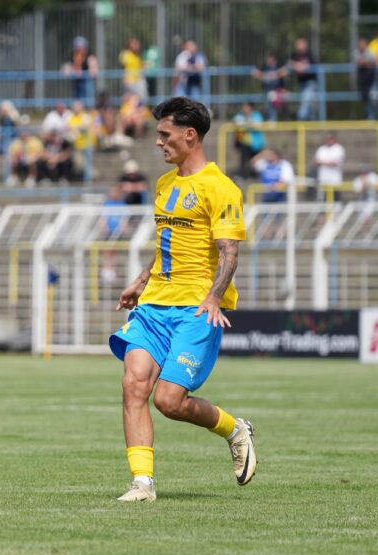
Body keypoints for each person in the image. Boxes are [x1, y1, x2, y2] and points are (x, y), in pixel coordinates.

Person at [108, 96, 257, 502]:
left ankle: (234, 429)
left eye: (164, 134)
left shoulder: (221, 188)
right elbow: (167, 244)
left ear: (190, 135)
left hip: (196, 307)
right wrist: (141, 280)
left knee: (169, 401)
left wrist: (214, 297)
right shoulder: (164, 184)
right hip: (154, 304)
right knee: (133, 384)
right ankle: (142, 484)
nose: (158, 142)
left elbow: (229, 252)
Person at [232, 103, 265, 180]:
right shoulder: (240, 115)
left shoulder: (257, 115)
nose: (244, 108)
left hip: (256, 143)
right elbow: (235, 122)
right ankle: (243, 175)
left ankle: (256, 175)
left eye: (246, 107)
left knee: (256, 160)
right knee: (244, 160)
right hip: (245, 142)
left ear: (250, 108)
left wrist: (245, 124)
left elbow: (256, 125)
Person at [288, 38, 318, 121]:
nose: (298, 46)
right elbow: (289, 63)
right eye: (297, 44)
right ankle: (310, 121)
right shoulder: (295, 55)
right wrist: (298, 66)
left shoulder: (309, 54)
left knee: (306, 104)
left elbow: (306, 67)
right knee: (309, 104)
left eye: (300, 44)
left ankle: (301, 119)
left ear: (305, 45)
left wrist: (297, 66)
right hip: (301, 83)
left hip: (311, 83)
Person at [252, 51, 287, 121]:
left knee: (274, 98)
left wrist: (276, 74)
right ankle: (272, 119)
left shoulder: (278, 66)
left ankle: (282, 119)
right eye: (268, 59)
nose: (268, 61)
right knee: (269, 99)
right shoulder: (265, 67)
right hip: (267, 91)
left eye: (271, 59)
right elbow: (254, 73)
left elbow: (285, 72)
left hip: (278, 90)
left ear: (274, 60)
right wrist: (263, 76)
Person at [314, 133, 345, 202]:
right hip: (323, 180)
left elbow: (335, 164)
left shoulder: (339, 149)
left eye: (331, 139)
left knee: (336, 200)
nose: (329, 140)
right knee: (322, 201)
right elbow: (316, 162)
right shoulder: (321, 149)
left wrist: (323, 162)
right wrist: (329, 162)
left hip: (335, 180)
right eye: (328, 139)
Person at [67, 36, 99, 101]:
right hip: (77, 82)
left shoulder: (90, 56)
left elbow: (94, 71)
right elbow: (69, 67)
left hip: (87, 82)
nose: (79, 49)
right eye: (77, 47)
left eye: (81, 47)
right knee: (77, 101)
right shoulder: (74, 56)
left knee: (88, 100)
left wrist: (90, 71)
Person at [354, 38, 378, 120]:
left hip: (372, 79)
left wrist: (366, 63)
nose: (362, 46)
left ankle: (375, 116)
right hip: (362, 80)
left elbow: (375, 61)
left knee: (374, 97)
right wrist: (368, 62)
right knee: (365, 98)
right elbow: (359, 63)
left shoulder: (371, 52)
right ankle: (370, 116)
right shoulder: (356, 53)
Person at [120, 38, 148, 102]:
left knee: (141, 99)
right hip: (130, 80)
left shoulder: (137, 55)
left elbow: (140, 66)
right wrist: (125, 78)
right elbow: (124, 67)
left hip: (138, 80)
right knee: (129, 100)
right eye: (134, 44)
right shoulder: (125, 54)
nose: (137, 46)